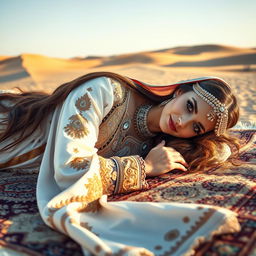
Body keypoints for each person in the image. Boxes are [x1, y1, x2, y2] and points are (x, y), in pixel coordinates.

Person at [0, 72, 240, 255]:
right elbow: (70, 168)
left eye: (196, 128)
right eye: (189, 106)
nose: (183, 121)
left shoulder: (162, 144)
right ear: (178, 92)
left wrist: (208, 140)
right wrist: (143, 168)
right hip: (11, 133)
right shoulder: (105, 91)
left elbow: (219, 151)